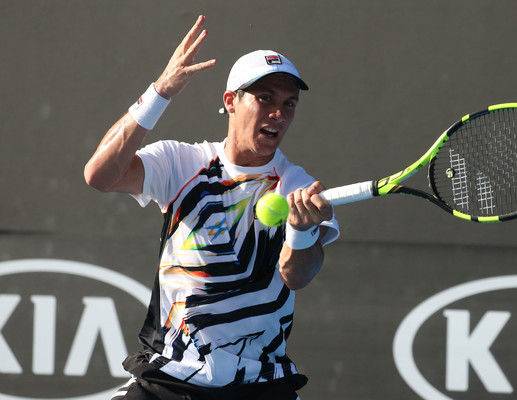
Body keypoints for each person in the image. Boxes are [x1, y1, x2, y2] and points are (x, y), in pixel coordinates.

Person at [84, 15, 339, 400]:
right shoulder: (180, 162)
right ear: (231, 102)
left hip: (259, 384)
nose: (278, 114)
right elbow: (99, 176)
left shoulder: (299, 186)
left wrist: (302, 230)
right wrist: (160, 93)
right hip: (170, 375)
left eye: (289, 104)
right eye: (265, 98)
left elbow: (297, 276)